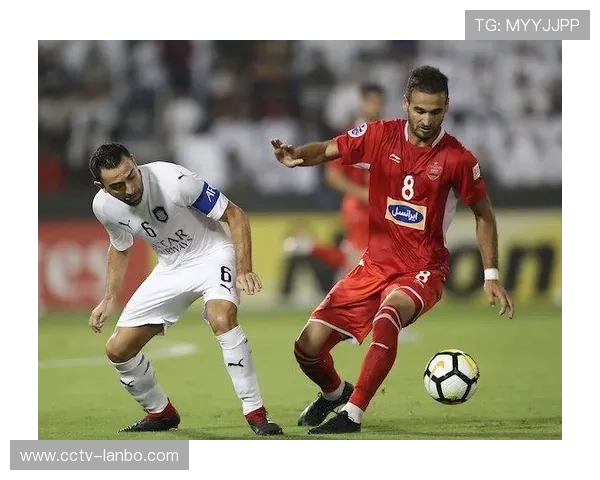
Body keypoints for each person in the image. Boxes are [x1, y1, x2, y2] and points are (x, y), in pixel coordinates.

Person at [271, 65, 515, 434]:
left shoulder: (458, 159)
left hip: (423, 270)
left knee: (388, 318)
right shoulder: (379, 135)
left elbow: (484, 215)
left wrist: (491, 274)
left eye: (435, 111)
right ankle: (335, 393)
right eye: (420, 110)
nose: (427, 120)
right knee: (307, 348)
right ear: (405, 104)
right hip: (373, 266)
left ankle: (353, 413)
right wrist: (297, 156)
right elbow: (328, 149)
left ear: (447, 106)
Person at [88, 142, 283, 436]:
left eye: (131, 176)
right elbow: (120, 246)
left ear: (135, 162)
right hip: (170, 267)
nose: (129, 188)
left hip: (212, 254)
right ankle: (160, 412)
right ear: (101, 187)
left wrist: (244, 269)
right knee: (118, 350)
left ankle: (255, 412)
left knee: (221, 318)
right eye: (116, 185)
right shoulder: (104, 207)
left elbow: (235, 214)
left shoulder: (175, 181)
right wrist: (109, 297)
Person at [285, 84, 384, 279]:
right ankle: (310, 248)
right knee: (362, 260)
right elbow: (332, 175)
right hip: (358, 206)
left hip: (383, 204)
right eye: (372, 102)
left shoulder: (388, 134)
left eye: (380, 103)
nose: (376, 107)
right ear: (362, 103)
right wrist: (362, 193)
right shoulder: (350, 135)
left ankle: (307, 247)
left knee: (368, 259)